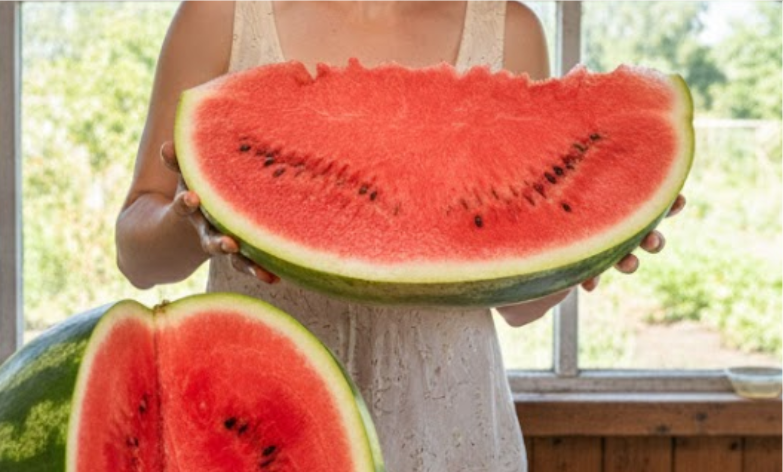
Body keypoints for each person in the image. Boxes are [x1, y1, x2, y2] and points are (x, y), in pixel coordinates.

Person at [115, 0, 685, 469]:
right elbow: (137, 258)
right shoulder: (220, 14)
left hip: (448, 434)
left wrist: (589, 241)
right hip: (263, 431)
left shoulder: (509, 28)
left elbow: (519, 303)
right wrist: (191, 221)